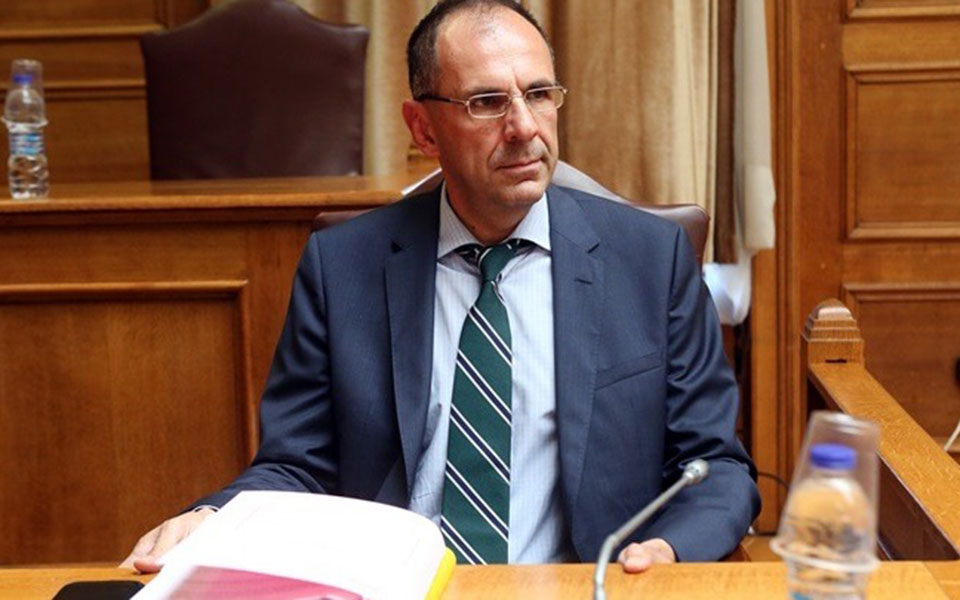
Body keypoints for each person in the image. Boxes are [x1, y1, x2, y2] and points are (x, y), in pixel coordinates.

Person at [123, 0, 759, 573]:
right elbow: (297, 464)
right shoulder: (342, 268)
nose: (525, 127)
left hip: (576, 587)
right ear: (423, 129)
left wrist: (669, 549)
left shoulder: (649, 260)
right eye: (487, 102)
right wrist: (216, 516)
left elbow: (716, 466)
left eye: (539, 94)